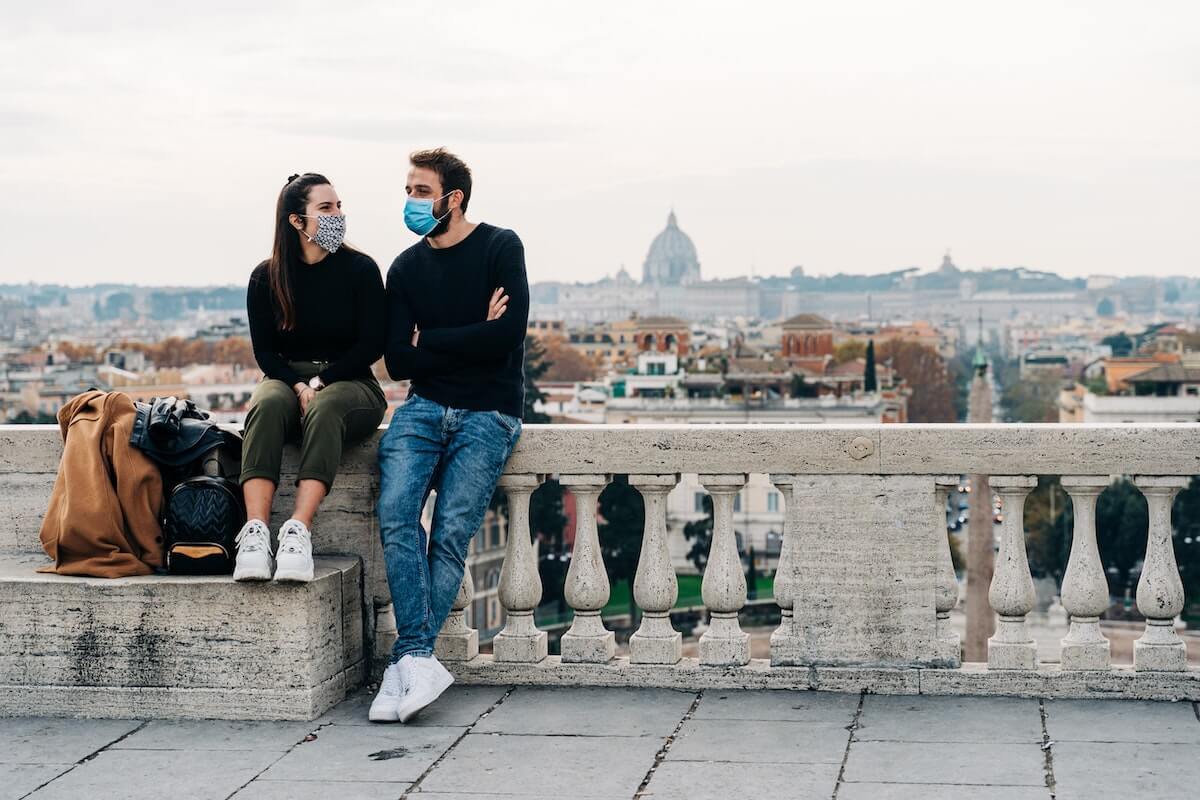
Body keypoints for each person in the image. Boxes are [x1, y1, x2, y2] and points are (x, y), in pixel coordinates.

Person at [370, 148, 528, 722]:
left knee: (452, 534)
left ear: (451, 197)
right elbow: (396, 360)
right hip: (425, 406)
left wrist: (431, 340)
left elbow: (508, 335)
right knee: (395, 511)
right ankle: (416, 659)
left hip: (489, 413)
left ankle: (406, 659)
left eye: (419, 190)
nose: (410, 201)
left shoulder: (500, 246)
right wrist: (471, 333)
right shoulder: (405, 268)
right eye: (408, 190)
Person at [236, 173, 387, 583]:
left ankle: (298, 529)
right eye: (326, 208)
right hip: (287, 379)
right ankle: (254, 534)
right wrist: (299, 384)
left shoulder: (361, 270)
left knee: (327, 406)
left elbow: (372, 343)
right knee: (265, 405)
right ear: (296, 221)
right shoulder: (266, 277)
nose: (337, 215)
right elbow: (266, 353)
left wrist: (322, 383)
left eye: (338, 206)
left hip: (351, 381)